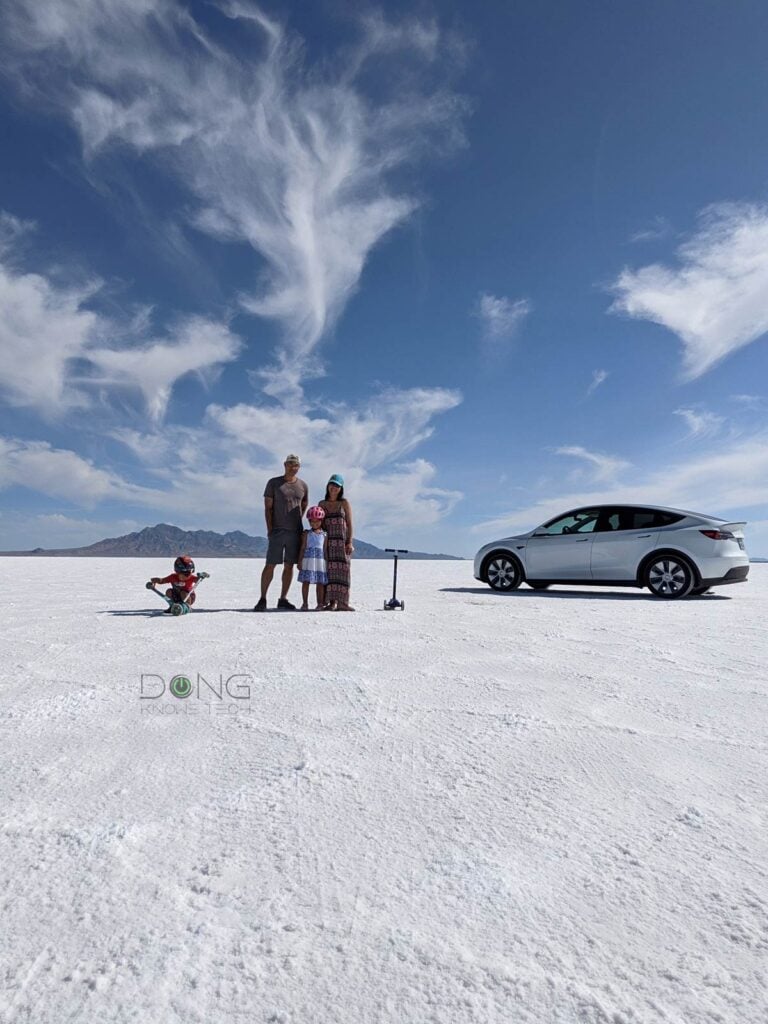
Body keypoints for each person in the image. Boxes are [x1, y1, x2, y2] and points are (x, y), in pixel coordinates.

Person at [254, 454, 308, 611]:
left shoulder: (303, 485)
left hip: (295, 532)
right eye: (290, 464)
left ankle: (283, 598)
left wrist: (297, 520)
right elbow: (268, 508)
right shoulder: (274, 483)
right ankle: (262, 598)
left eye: (295, 465)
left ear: (299, 467)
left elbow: (304, 504)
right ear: (285, 465)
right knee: (270, 564)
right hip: (277, 531)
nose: (293, 467)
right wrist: (270, 529)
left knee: (289, 565)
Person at [319, 473, 354, 611]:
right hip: (328, 544)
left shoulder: (344, 503)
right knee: (329, 573)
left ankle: (343, 603)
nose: (334, 488)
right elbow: (319, 524)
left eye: (337, 486)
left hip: (342, 543)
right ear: (328, 486)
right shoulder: (322, 504)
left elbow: (350, 524)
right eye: (332, 484)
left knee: (344, 572)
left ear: (341, 488)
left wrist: (349, 542)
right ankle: (331, 603)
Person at [297, 506, 328, 610]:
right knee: (306, 582)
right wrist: (299, 561)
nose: (315, 524)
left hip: (320, 561)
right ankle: (304, 603)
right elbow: (303, 547)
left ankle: (319, 604)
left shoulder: (324, 535)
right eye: (312, 522)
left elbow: (324, 550)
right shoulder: (307, 534)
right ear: (309, 522)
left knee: (320, 583)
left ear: (321, 521)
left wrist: (326, 562)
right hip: (308, 560)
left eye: (317, 521)